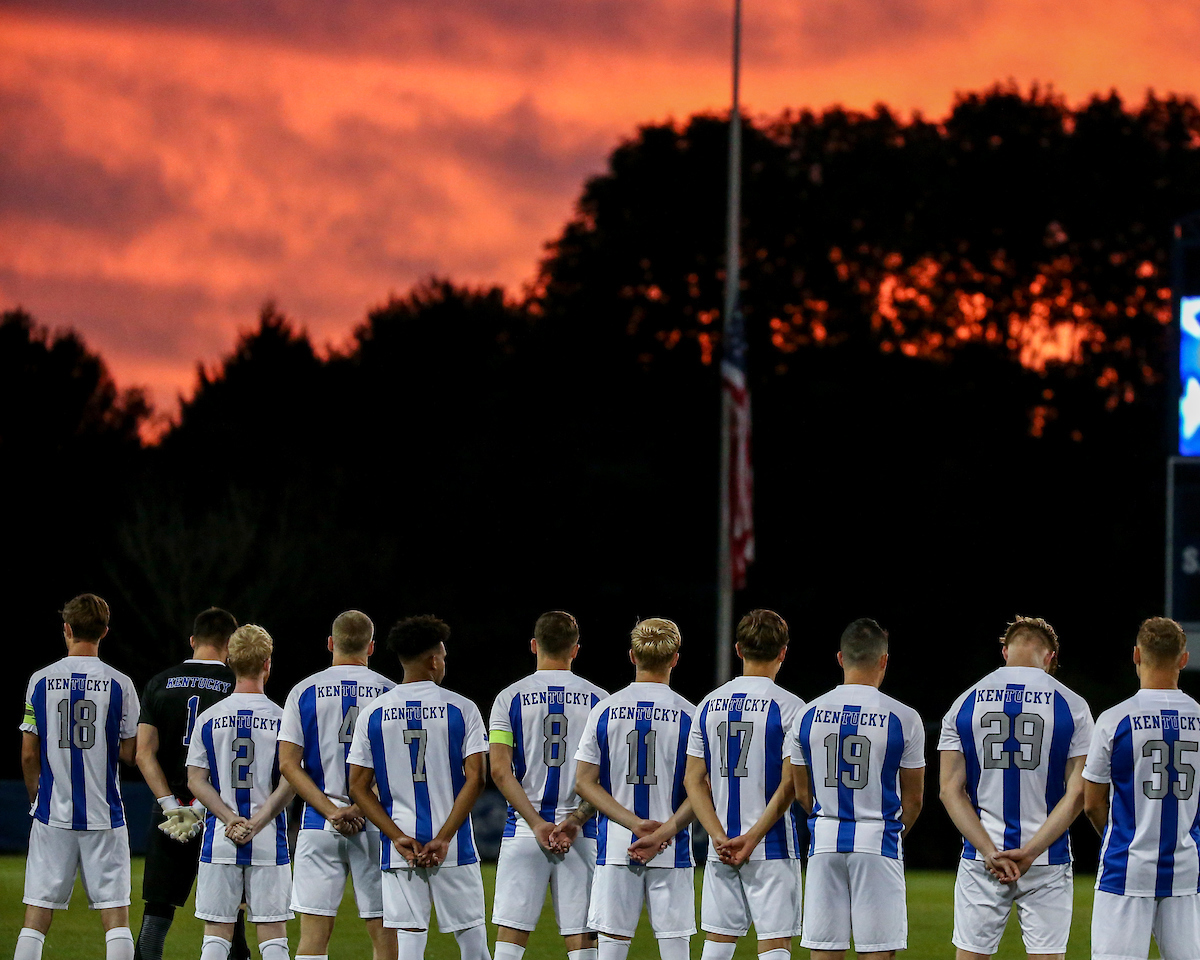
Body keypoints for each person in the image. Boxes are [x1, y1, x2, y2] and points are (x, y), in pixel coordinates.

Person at [938, 616, 1093, 960]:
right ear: (1051, 655)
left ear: (1005, 651)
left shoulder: (965, 703)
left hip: (983, 857)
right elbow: (1078, 793)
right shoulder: (1073, 705)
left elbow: (949, 790)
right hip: (1047, 858)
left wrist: (990, 851)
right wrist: (1032, 851)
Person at [348, 615, 490, 960]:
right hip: (453, 848)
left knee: (409, 945)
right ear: (433, 660)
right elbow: (477, 777)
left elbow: (358, 787)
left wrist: (395, 836)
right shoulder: (462, 708)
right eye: (442, 655)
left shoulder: (373, 714)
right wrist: (443, 838)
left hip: (401, 850)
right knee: (473, 943)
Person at [790, 618, 925, 960]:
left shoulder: (807, 714)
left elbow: (802, 792)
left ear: (840, 658)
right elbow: (914, 799)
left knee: (824, 951)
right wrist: (888, 832)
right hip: (877, 840)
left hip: (824, 841)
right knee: (878, 952)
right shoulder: (904, 717)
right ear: (884, 660)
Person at [15, 594, 140, 960]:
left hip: (52, 812)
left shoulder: (40, 681)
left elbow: (28, 753)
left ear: (67, 629)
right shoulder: (121, 684)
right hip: (105, 813)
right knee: (116, 916)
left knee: (36, 914)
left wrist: (36, 798)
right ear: (104, 631)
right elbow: (131, 754)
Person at [684, 609, 806, 960]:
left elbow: (694, 780)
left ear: (738, 649)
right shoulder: (791, 707)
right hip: (771, 844)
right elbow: (789, 784)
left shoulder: (708, 704)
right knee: (775, 944)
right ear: (783, 651)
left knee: (718, 943)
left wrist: (717, 836)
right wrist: (751, 838)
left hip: (721, 845)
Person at [573, 617, 697, 960]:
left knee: (612, 946)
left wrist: (633, 824)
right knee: (675, 946)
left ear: (632, 656)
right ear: (674, 658)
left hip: (616, 846)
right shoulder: (690, 715)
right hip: (672, 847)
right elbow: (702, 790)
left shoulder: (604, 710)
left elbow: (584, 782)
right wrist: (661, 833)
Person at [488, 611, 606, 960]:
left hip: (525, 829)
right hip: (580, 833)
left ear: (534, 645)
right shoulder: (600, 701)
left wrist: (537, 823)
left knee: (511, 937)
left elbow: (499, 771)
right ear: (575, 649)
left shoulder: (508, 698)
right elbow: (605, 777)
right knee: (583, 938)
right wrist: (576, 821)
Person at [278, 610, 396, 960]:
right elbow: (394, 768)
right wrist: (359, 808)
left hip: (318, 822)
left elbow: (288, 764)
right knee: (384, 936)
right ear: (371, 647)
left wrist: (332, 811)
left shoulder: (303, 691)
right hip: (375, 822)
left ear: (330, 643)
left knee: (313, 937)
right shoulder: (389, 692)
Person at [135, 607, 251, 960]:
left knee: (156, 915)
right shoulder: (236, 686)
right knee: (229, 917)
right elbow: (235, 756)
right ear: (230, 645)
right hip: (219, 813)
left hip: (168, 814)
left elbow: (143, 753)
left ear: (192, 641)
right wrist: (200, 808)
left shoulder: (159, 682)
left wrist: (172, 806)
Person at [1083, 617, 1200, 960]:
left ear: (1136, 655)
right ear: (1183, 659)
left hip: (1126, 867)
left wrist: (1123, 836)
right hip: (1187, 869)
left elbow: (1092, 803)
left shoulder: (1114, 719)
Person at [186, 624, 296, 960]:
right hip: (268, 841)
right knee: (273, 936)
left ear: (230, 661)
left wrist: (231, 818)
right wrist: (257, 821)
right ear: (267, 664)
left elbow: (195, 780)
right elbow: (291, 780)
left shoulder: (208, 718)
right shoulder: (283, 720)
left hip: (221, 840)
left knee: (216, 936)